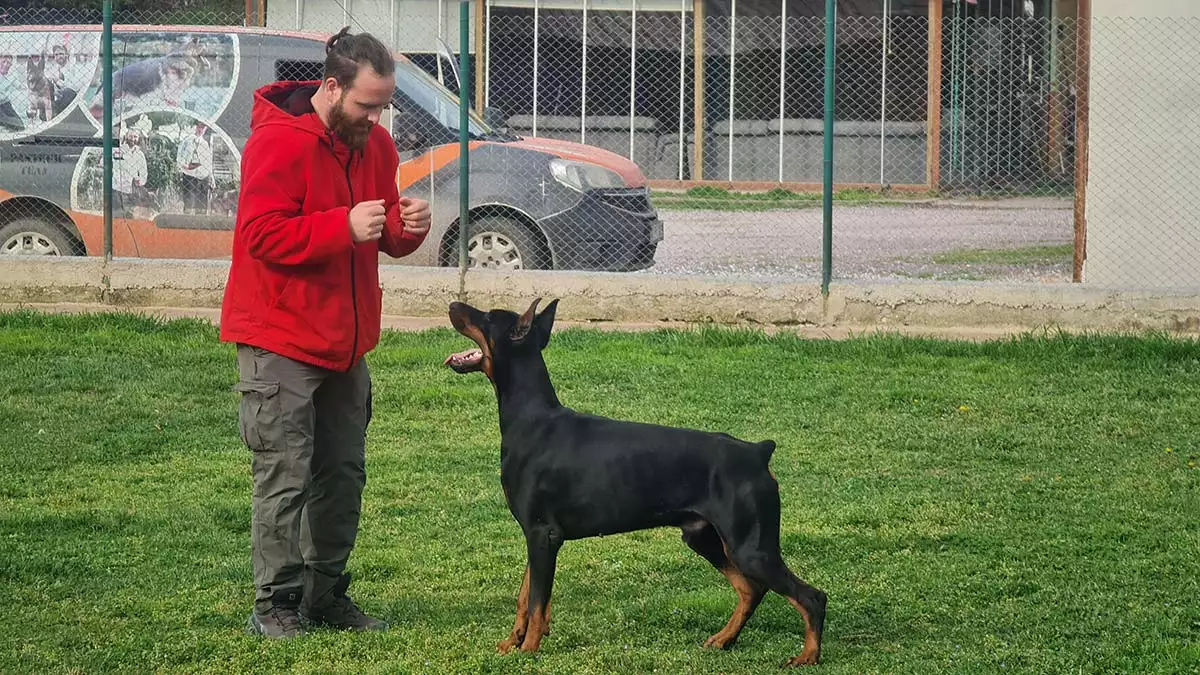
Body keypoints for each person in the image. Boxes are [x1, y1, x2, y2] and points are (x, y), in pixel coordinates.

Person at [219, 27, 432, 639]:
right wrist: (342, 225)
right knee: (285, 473)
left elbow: (383, 235)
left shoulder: (377, 147)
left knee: (342, 471)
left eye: (383, 106)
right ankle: (276, 605)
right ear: (332, 87)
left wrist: (407, 227)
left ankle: (325, 595)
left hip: (346, 345)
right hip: (279, 339)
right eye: (367, 104)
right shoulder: (277, 144)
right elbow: (261, 236)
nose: (376, 117)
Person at [175, 121, 212, 214]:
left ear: (205, 129)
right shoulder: (187, 141)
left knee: (202, 207)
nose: (200, 129)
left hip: (203, 178)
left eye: (202, 127)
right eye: (198, 127)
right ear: (195, 127)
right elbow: (179, 157)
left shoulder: (205, 144)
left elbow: (208, 163)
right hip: (190, 177)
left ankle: (200, 226)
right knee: (189, 205)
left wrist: (211, 178)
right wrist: (184, 166)